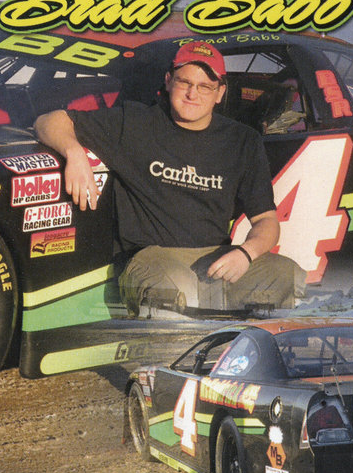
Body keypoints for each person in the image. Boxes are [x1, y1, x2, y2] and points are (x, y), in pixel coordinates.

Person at [34, 41, 305, 315]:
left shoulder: (243, 141)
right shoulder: (136, 122)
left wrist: (246, 253)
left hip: (216, 259)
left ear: (220, 92)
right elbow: (48, 121)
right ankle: (166, 357)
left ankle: (244, 350)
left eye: (205, 86)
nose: (192, 94)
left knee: (288, 275)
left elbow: (266, 221)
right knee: (176, 288)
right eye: (184, 82)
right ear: (168, 82)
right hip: (154, 258)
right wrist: (74, 153)